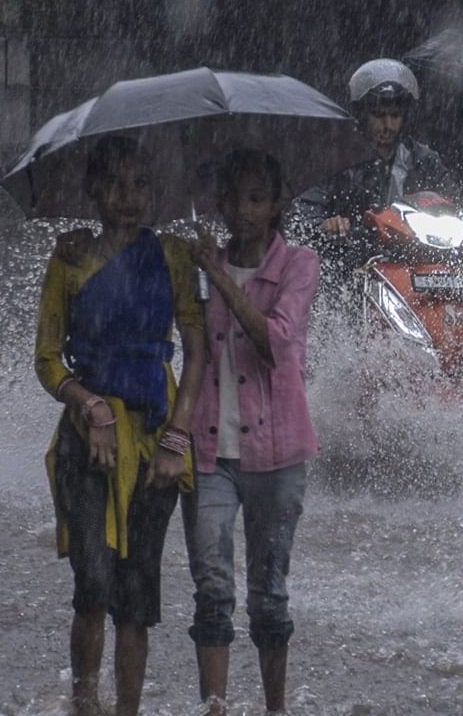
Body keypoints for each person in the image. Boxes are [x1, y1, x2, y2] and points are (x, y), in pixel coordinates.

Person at [33, 135, 205, 716]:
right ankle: (85, 705)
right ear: (92, 190)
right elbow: (48, 359)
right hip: (88, 444)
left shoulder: (176, 256)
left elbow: (198, 354)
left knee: (137, 599)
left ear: (155, 191)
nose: (128, 198)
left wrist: (178, 443)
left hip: (159, 443)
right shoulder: (70, 258)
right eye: (114, 184)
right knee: (92, 589)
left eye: (140, 185)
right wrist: (91, 406)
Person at [183, 149, 321, 716]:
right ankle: (215, 707)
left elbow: (274, 344)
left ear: (277, 204)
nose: (243, 210)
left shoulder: (298, 264)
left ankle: (274, 709)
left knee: (269, 596)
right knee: (213, 590)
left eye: (257, 198)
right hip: (210, 452)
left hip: (278, 455)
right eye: (235, 198)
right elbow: (190, 348)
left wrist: (218, 275)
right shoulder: (198, 263)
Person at [292, 58, 459, 252]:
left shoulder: (424, 160)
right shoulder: (335, 159)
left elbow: (457, 207)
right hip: (354, 264)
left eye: (395, 115)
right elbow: (304, 218)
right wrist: (327, 226)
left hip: (418, 261)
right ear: (362, 115)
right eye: (379, 115)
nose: (388, 125)